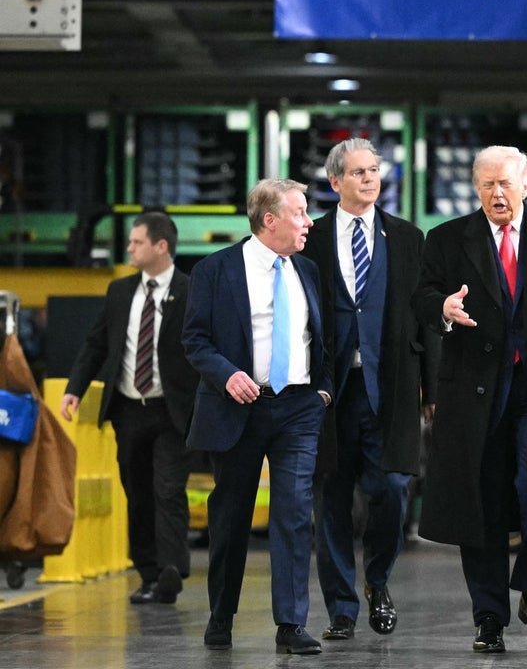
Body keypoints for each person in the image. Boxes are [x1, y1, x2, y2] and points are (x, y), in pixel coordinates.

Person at [413, 145, 527, 654]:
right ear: (476, 188)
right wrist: (443, 307)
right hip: (473, 391)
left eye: (506, 184)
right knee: (482, 502)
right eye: (488, 184)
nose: (497, 193)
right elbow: (422, 297)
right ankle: (489, 616)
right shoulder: (446, 238)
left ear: (526, 185)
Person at [183, 178, 332, 655]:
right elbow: (195, 340)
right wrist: (227, 375)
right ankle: (221, 615)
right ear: (270, 220)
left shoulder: (308, 270)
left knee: (294, 513)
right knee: (231, 516)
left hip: (299, 409)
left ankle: (291, 624)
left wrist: (323, 390)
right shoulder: (215, 269)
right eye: (299, 213)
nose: (308, 222)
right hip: (238, 408)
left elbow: (322, 335)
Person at [301, 139, 439, 640]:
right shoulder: (312, 238)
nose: (369, 179)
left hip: (392, 387)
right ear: (335, 181)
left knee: (393, 488)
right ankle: (342, 608)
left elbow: (426, 313)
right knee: (331, 499)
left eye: (374, 170)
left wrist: (433, 389)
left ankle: (377, 581)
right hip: (329, 392)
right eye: (358, 172)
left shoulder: (407, 237)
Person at [60, 212, 198, 606]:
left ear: (161, 246)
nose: (129, 248)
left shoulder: (191, 291)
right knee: (136, 492)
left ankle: (171, 568)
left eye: (137, 242)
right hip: (128, 409)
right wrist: (74, 389)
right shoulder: (120, 291)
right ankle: (149, 573)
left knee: (168, 488)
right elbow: (96, 343)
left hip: (171, 410)